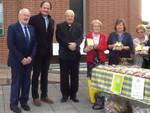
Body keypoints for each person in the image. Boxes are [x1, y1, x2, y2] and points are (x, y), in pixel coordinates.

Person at [7, 8, 37, 113]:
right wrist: (21, 58)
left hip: (28, 62)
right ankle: (14, 104)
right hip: (16, 62)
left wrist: (30, 57)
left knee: (26, 83)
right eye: (24, 15)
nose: (26, 17)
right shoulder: (12, 28)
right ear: (19, 16)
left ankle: (24, 102)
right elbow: (10, 45)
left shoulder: (31, 28)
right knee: (16, 83)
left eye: (28, 15)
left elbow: (34, 44)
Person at [29, 0, 54, 106]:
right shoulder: (33, 19)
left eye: (48, 8)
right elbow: (31, 36)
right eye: (44, 7)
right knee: (36, 75)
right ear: (40, 8)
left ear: (50, 10)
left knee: (45, 75)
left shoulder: (51, 21)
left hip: (47, 53)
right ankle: (35, 97)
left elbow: (50, 37)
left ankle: (44, 95)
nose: (46, 9)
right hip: (37, 53)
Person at [56, 9, 83, 103]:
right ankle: (64, 95)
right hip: (64, 55)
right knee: (64, 76)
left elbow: (81, 37)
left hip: (75, 55)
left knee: (75, 76)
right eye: (68, 16)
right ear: (65, 16)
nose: (70, 17)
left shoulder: (78, 26)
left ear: (73, 17)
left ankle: (73, 94)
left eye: (71, 16)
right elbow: (58, 38)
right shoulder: (59, 26)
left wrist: (75, 44)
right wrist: (68, 45)